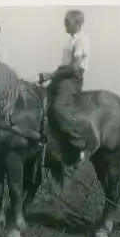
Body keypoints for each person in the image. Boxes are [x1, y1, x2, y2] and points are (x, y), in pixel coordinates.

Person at [39, 10, 91, 168]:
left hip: (71, 80)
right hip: (62, 77)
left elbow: (74, 67)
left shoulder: (82, 40)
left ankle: (81, 146)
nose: (64, 25)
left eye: (67, 22)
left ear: (77, 23)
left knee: (57, 108)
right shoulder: (70, 41)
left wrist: (50, 75)